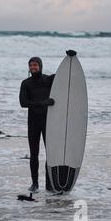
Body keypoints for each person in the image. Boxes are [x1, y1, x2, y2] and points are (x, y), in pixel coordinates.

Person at [19, 50, 77, 193]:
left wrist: (70, 58)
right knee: (34, 154)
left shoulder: (48, 80)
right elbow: (23, 103)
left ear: (40, 66)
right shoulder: (26, 83)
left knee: (50, 153)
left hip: (48, 122)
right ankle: (35, 184)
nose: (33, 68)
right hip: (33, 122)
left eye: (35, 65)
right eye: (31, 65)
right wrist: (43, 103)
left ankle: (49, 184)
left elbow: (65, 75)